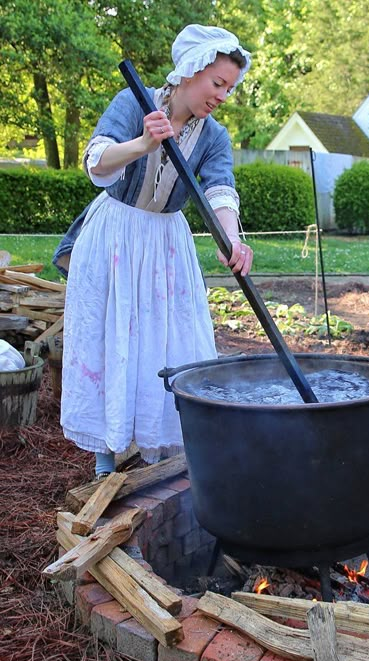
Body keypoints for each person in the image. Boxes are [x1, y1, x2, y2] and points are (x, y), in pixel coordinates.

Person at [53, 24, 253, 478]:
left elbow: (220, 191)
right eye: (217, 83)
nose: (222, 95)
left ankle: (157, 458)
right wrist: (144, 142)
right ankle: (105, 462)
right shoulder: (134, 102)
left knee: (167, 341)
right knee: (111, 338)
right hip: (115, 238)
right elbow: (96, 161)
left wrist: (232, 239)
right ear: (189, 71)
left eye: (230, 88)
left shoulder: (213, 135)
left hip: (166, 243)